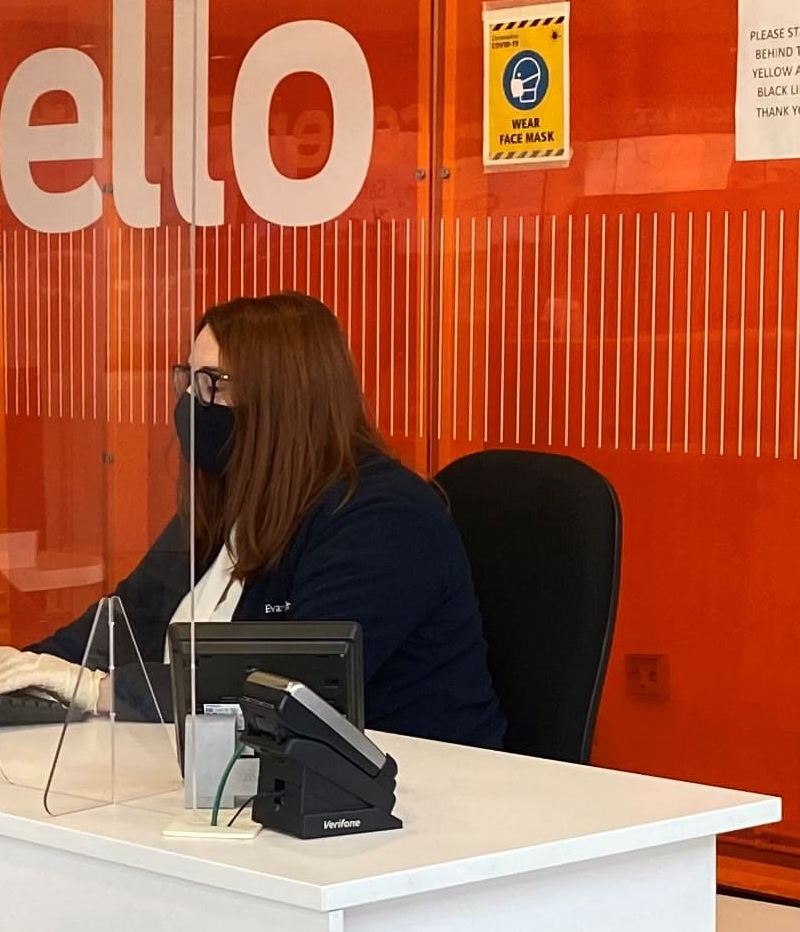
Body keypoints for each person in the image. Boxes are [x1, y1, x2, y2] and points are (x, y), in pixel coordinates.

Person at [49, 290, 507, 746]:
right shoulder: (231, 499)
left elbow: (287, 686)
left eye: (213, 383)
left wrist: (99, 691)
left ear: (279, 397)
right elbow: (128, 621)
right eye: (187, 379)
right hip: (240, 773)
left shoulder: (385, 517)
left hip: (409, 791)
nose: (191, 400)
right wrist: (8, 670)